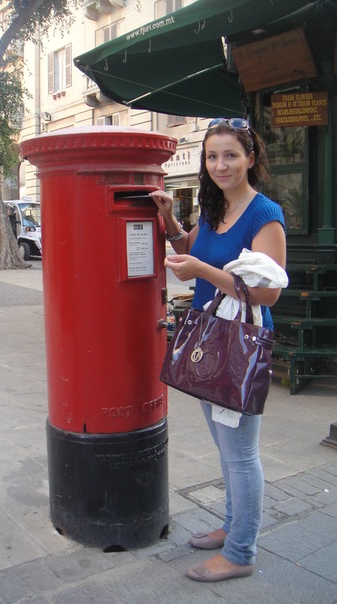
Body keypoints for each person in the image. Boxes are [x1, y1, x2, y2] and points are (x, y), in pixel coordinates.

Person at [150, 118, 286, 583]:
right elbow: (191, 248)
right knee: (227, 450)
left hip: (239, 347)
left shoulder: (263, 214)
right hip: (209, 341)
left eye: (230, 155)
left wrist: (203, 272)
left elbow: (268, 293)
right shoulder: (215, 209)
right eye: (212, 156)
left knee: (241, 454)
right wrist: (170, 220)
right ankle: (231, 527)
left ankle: (241, 551)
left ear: (251, 158)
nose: (220, 165)